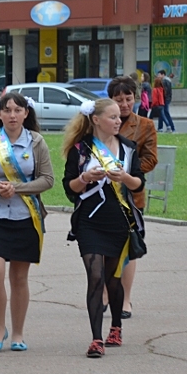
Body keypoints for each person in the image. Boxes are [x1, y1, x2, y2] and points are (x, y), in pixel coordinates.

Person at [0, 92, 53, 353]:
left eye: (18, 110)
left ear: (26, 113)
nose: (13, 115)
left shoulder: (36, 142)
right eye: (7, 110)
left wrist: (17, 188)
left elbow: (47, 179)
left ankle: (17, 332)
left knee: (19, 278)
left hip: (26, 217)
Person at [63, 98, 145, 358]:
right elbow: (69, 189)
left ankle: (116, 327)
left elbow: (139, 184)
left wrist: (125, 178)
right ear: (96, 120)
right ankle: (96, 339)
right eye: (112, 117)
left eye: (119, 117)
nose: (118, 121)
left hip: (119, 220)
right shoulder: (81, 149)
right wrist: (85, 178)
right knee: (95, 276)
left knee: (113, 279)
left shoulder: (129, 149)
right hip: (89, 221)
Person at [106, 76, 158, 319]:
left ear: (135, 99)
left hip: (130, 195)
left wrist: (129, 171)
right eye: (119, 100)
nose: (124, 104)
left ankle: (125, 299)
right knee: (103, 247)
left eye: (128, 99)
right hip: (102, 195)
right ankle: (106, 292)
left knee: (128, 247)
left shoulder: (145, 125)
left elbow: (151, 158)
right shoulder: (98, 121)